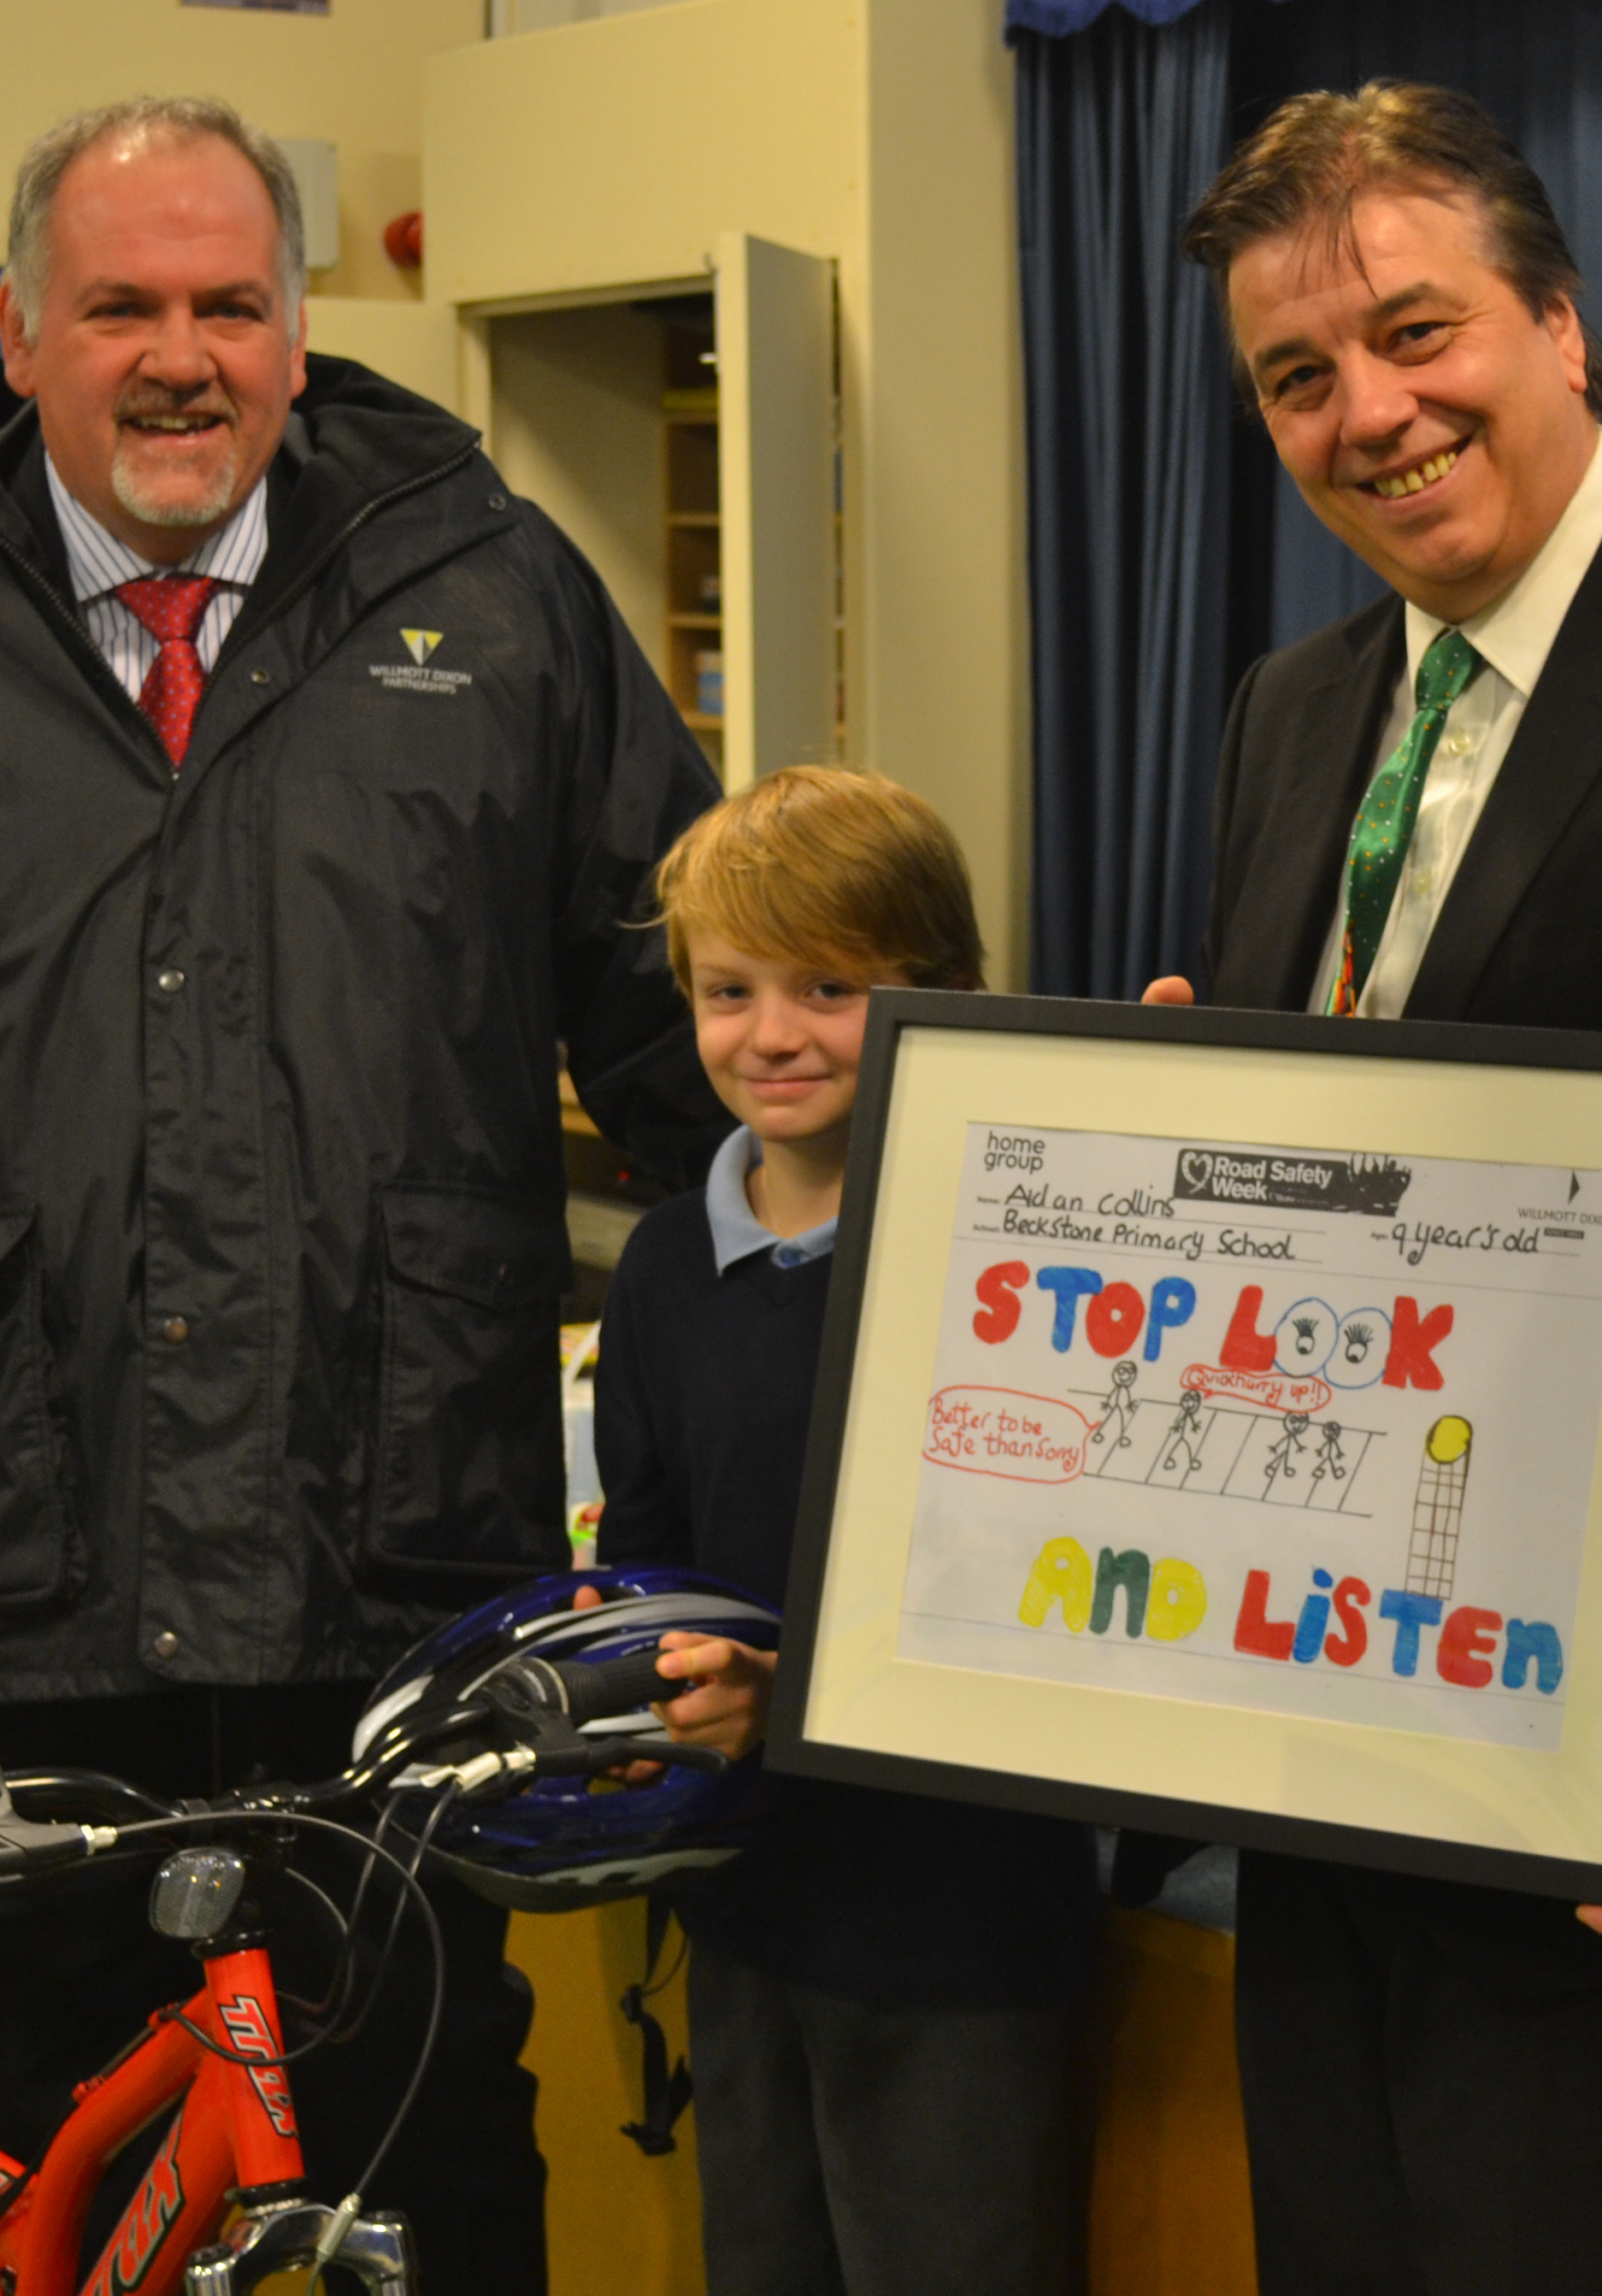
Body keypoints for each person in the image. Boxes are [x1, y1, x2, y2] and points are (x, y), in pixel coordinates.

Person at [0, 94, 727, 2291]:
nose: (178, 353)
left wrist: (849, 1399)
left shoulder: (486, 592)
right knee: (47, 2175)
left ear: (300, 334)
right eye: (120, 302)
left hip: (396, 1557)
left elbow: (697, 1024)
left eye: (230, 302)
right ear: (16, 328)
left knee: (424, 2168)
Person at [1148, 80, 1602, 2293]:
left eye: (1415, 332)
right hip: (1338, 1745)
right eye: (1299, 375)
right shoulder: (1296, 710)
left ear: (1561, 326)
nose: (1368, 411)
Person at [589, 763, 1103, 2296]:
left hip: (958, 1927)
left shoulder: (1025, 1252)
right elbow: (645, 1554)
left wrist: (789, 1695)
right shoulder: (667, 1264)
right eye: (727, 988)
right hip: (743, 1915)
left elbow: (1042, 1594)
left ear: (942, 991)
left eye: (830, 985)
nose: (772, 1035)